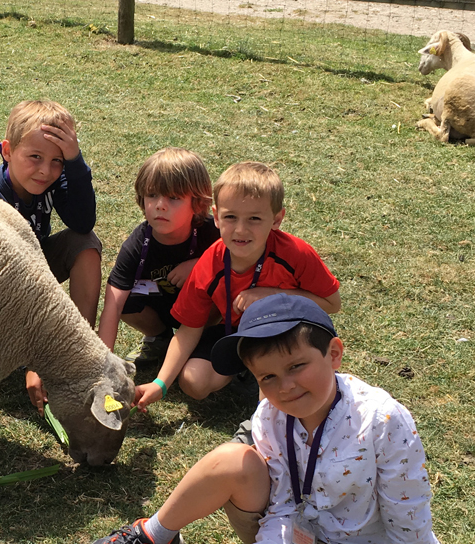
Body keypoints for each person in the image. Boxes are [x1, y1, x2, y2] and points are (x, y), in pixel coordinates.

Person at [57, 295, 451, 544]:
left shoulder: (382, 420)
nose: (285, 387)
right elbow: (282, 505)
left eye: (296, 366)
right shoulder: (271, 415)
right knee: (234, 458)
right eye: (268, 377)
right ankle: (155, 536)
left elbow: (406, 505)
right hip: (279, 525)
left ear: (334, 353)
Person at [134, 160, 341, 410]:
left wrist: (274, 296)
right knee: (193, 382)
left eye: (254, 218)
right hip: (233, 332)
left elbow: (332, 303)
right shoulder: (209, 263)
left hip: (287, 333)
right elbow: (189, 330)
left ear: (276, 219)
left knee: (280, 374)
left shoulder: (296, 253)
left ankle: (268, 400)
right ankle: (247, 370)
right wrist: (160, 384)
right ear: (216, 217)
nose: (241, 230)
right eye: (230, 217)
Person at [0, 99, 101, 412]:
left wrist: (75, 162)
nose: (45, 170)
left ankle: (78, 347)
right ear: (7, 151)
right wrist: (38, 358)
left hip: (33, 272)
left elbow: (83, 222)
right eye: (35, 157)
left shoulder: (52, 179)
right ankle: (40, 353)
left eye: (57, 161)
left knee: (85, 243)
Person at [96, 147, 218, 366]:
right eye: (152, 195)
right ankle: (159, 338)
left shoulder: (215, 233)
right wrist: (103, 365)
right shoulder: (136, 245)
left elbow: (248, 259)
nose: (160, 205)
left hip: (206, 314)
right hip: (164, 307)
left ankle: (212, 340)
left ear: (198, 202)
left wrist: (201, 265)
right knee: (123, 298)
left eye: (174, 197)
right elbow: (112, 306)